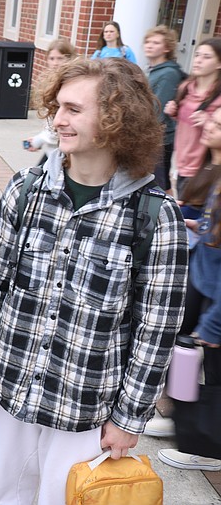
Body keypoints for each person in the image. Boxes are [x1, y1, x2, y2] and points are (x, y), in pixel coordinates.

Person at [0, 57, 189, 505]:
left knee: (63, 499)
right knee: (8, 494)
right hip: (13, 385)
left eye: (73, 110)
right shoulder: (25, 190)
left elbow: (156, 331)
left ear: (116, 119)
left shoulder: (156, 217)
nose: (58, 120)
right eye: (57, 107)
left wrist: (129, 418)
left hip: (86, 404)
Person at [157, 107, 221, 471]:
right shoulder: (214, 171)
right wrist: (197, 223)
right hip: (203, 282)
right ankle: (186, 425)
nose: (208, 124)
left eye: (218, 124)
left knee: (214, 373)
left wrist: (214, 322)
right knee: (187, 358)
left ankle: (208, 447)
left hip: (216, 297)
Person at [165, 37, 221, 197]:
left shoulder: (218, 97)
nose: (198, 60)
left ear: (219, 64)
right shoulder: (186, 87)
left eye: (206, 57)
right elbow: (186, 122)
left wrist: (209, 122)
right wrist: (174, 112)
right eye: (197, 55)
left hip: (205, 168)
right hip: (182, 162)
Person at [145, 25, 185, 192]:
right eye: (148, 41)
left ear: (167, 48)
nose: (149, 45)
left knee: (159, 183)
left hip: (160, 137)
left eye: (156, 42)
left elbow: (157, 109)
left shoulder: (168, 73)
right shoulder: (155, 71)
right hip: (153, 135)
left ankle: (165, 215)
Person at [25, 38, 75, 164]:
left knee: (35, 180)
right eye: (52, 58)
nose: (55, 63)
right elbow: (50, 124)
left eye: (60, 58)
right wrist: (40, 138)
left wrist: (39, 140)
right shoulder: (51, 83)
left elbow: (58, 128)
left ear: (70, 58)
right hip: (52, 150)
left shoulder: (69, 85)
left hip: (63, 152)